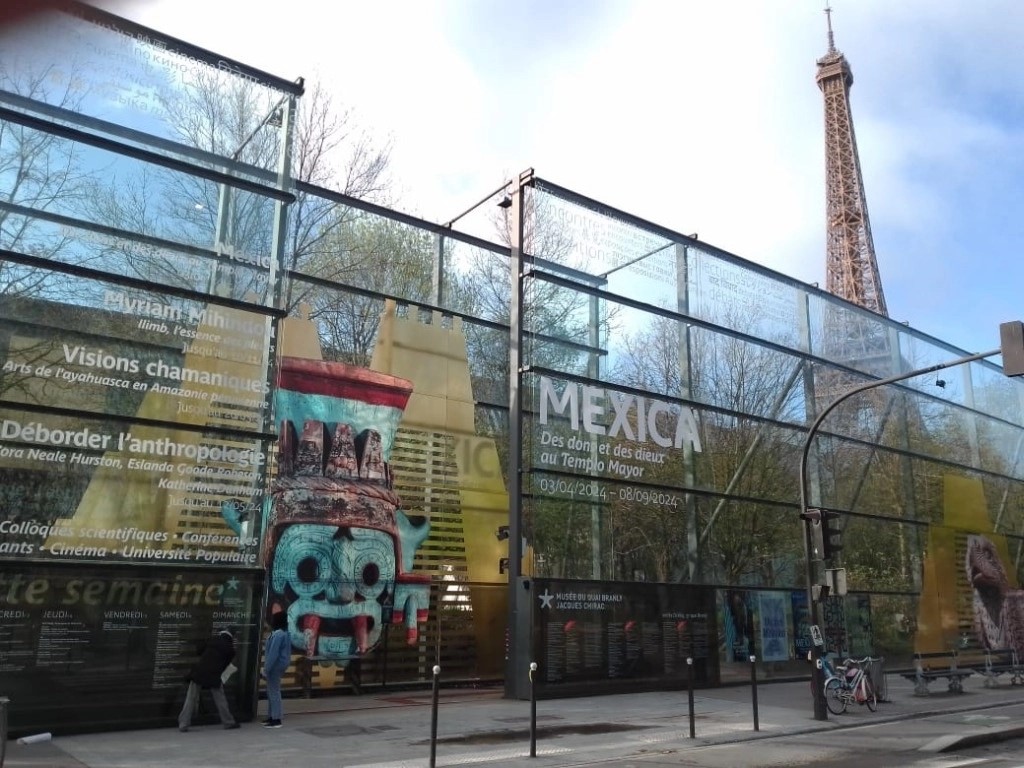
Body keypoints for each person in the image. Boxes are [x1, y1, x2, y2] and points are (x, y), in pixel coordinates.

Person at [178, 628, 240, 732]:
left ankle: (183, 724)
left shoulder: (213, 639)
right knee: (220, 699)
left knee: (191, 697)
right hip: (214, 675)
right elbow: (225, 666)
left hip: (199, 672)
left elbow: (199, 651)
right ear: (232, 637)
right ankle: (228, 722)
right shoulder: (230, 649)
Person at [262, 612, 292, 728]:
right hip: (278, 665)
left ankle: (276, 718)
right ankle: (271, 716)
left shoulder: (278, 635)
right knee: (271, 691)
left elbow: (273, 654)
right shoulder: (283, 633)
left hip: (275, 666)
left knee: (274, 691)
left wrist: (266, 669)